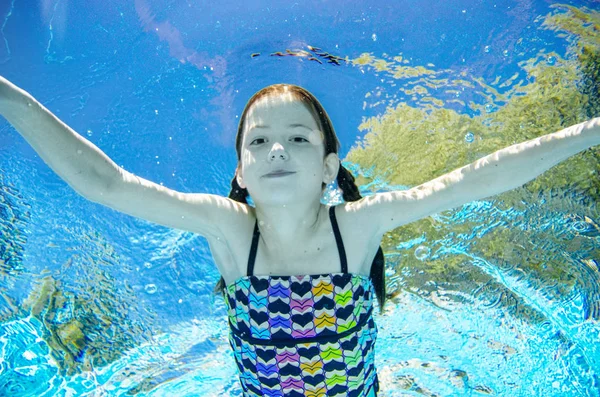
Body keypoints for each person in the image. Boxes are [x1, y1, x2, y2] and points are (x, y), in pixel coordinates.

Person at [0, 76, 598, 397]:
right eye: (258, 141)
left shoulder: (357, 226)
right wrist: (7, 95)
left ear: (329, 168)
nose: (277, 148)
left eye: (298, 138)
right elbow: (107, 183)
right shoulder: (230, 229)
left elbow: (475, 180)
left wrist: (587, 133)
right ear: (240, 172)